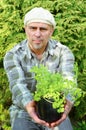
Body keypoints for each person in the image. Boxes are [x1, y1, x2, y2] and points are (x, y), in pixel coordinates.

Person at [4, 7, 75, 130]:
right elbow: (17, 85)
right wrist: (30, 106)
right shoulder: (13, 55)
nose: (37, 34)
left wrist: (67, 105)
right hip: (24, 111)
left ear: (51, 31)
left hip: (55, 109)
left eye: (43, 29)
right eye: (33, 28)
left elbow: (69, 81)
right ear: (25, 29)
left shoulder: (63, 52)